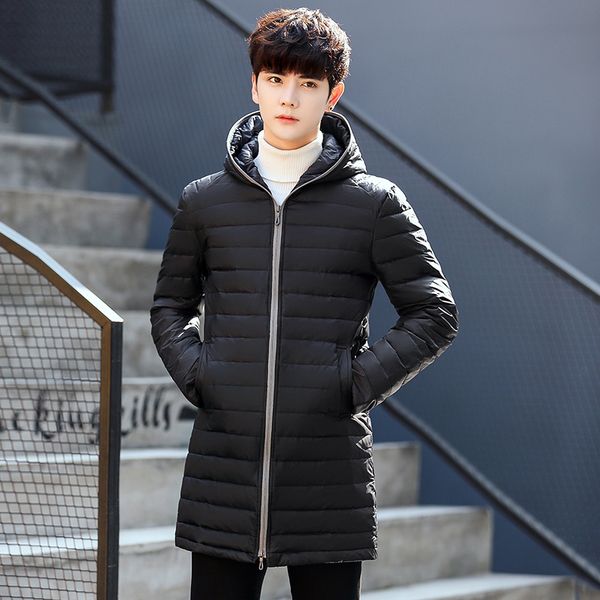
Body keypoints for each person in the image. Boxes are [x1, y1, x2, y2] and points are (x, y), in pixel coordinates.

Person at [150, 7, 459, 600]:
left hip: (328, 475)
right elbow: (169, 306)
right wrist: (203, 375)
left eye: (307, 83)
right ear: (255, 85)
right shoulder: (203, 202)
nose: (288, 97)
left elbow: (434, 313)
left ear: (333, 95)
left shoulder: (375, 204)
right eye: (275, 79)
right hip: (225, 469)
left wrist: (350, 385)